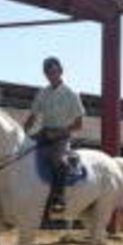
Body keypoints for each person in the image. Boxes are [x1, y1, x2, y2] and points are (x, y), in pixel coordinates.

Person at [24, 57, 86, 212]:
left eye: (54, 71)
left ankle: (59, 197)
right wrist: (22, 132)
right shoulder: (42, 93)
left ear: (60, 71)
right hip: (44, 132)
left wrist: (59, 132)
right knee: (23, 152)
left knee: (56, 159)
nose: (51, 75)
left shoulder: (71, 94)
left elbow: (79, 125)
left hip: (62, 136)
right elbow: (33, 117)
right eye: (47, 72)